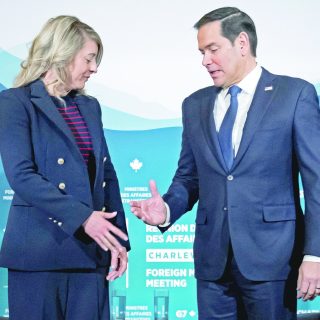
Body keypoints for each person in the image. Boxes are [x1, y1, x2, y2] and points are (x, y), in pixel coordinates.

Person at [130, 7, 320, 320]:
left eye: (212, 49)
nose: (205, 60)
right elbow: (189, 179)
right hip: (212, 262)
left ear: (242, 43)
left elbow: (315, 183)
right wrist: (166, 209)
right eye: (201, 52)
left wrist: (314, 254)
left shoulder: (293, 94)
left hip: (272, 259)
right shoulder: (195, 104)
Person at [0, 15, 130, 320]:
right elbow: (21, 176)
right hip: (39, 255)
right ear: (62, 53)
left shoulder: (89, 106)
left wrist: (119, 240)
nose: (94, 68)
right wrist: (84, 218)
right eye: (88, 58)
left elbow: (106, 176)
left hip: (89, 255)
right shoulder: (15, 103)